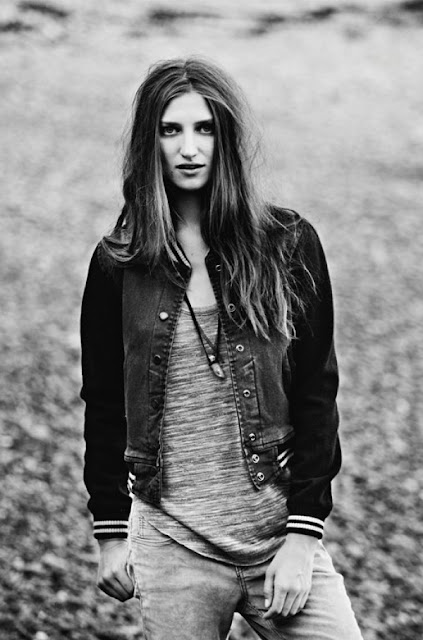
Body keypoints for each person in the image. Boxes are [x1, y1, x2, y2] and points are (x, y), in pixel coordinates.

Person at [80, 56, 363, 640]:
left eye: (204, 129)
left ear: (226, 138)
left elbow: (317, 392)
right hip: (172, 546)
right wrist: (109, 531)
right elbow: (104, 402)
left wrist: (302, 536)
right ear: (150, 143)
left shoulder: (287, 244)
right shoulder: (118, 263)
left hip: (277, 538)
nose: (189, 148)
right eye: (171, 129)